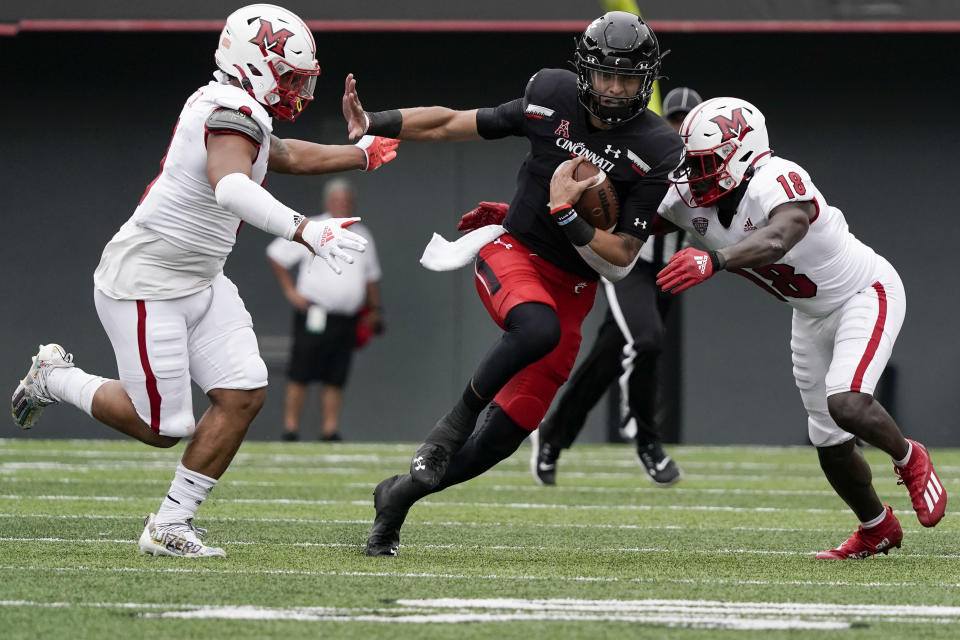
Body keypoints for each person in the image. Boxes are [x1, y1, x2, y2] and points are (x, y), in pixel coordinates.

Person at [9, 4, 399, 558]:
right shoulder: (228, 109)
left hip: (201, 279)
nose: (296, 90)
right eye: (288, 76)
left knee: (242, 394)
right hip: (147, 282)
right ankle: (55, 377)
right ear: (251, 62)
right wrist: (304, 230)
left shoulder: (242, 112)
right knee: (163, 426)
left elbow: (279, 154)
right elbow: (231, 188)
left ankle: (170, 525)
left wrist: (358, 155)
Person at [343, 11, 684, 556]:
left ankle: (398, 498)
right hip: (512, 252)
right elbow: (453, 122)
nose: (617, 90)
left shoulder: (657, 146)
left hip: (576, 289)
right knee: (535, 327)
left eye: (628, 79)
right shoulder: (551, 96)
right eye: (607, 76)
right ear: (584, 73)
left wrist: (569, 216)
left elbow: (620, 260)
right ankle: (449, 426)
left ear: (646, 81)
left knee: (502, 440)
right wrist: (374, 122)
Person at [654, 96, 945, 559]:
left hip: (864, 293)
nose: (697, 172)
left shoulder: (778, 178)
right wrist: (541, 220)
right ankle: (876, 528)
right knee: (828, 441)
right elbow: (624, 225)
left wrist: (715, 259)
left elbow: (778, 237)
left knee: (847, 402)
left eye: (707, 161)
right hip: (809, 315)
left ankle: (909, 456)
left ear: (743, 153)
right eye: (693, 161)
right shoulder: (687, 197)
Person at [530, 86, 703, 488]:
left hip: (668, 273)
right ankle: (647, 441)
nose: (678, 129)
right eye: (672, 120)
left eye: (686, 123)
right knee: (647, 341)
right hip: (631, 267)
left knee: (607, 361)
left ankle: (554, 435)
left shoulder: (701, 165)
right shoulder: (652, 154)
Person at [267, 178, 383, 442]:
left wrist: (374, 308)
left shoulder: (362, 233)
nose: (341, 204)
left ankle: (329, 430)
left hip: (347, 316)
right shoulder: (314, 227)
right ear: (327, 202)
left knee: (336, 374)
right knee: (301, 369)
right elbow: (276, 254)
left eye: (346, 200)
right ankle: (291, 428)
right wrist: (290, 292)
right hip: (314, 312)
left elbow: (371, 276)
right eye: (337, 200)